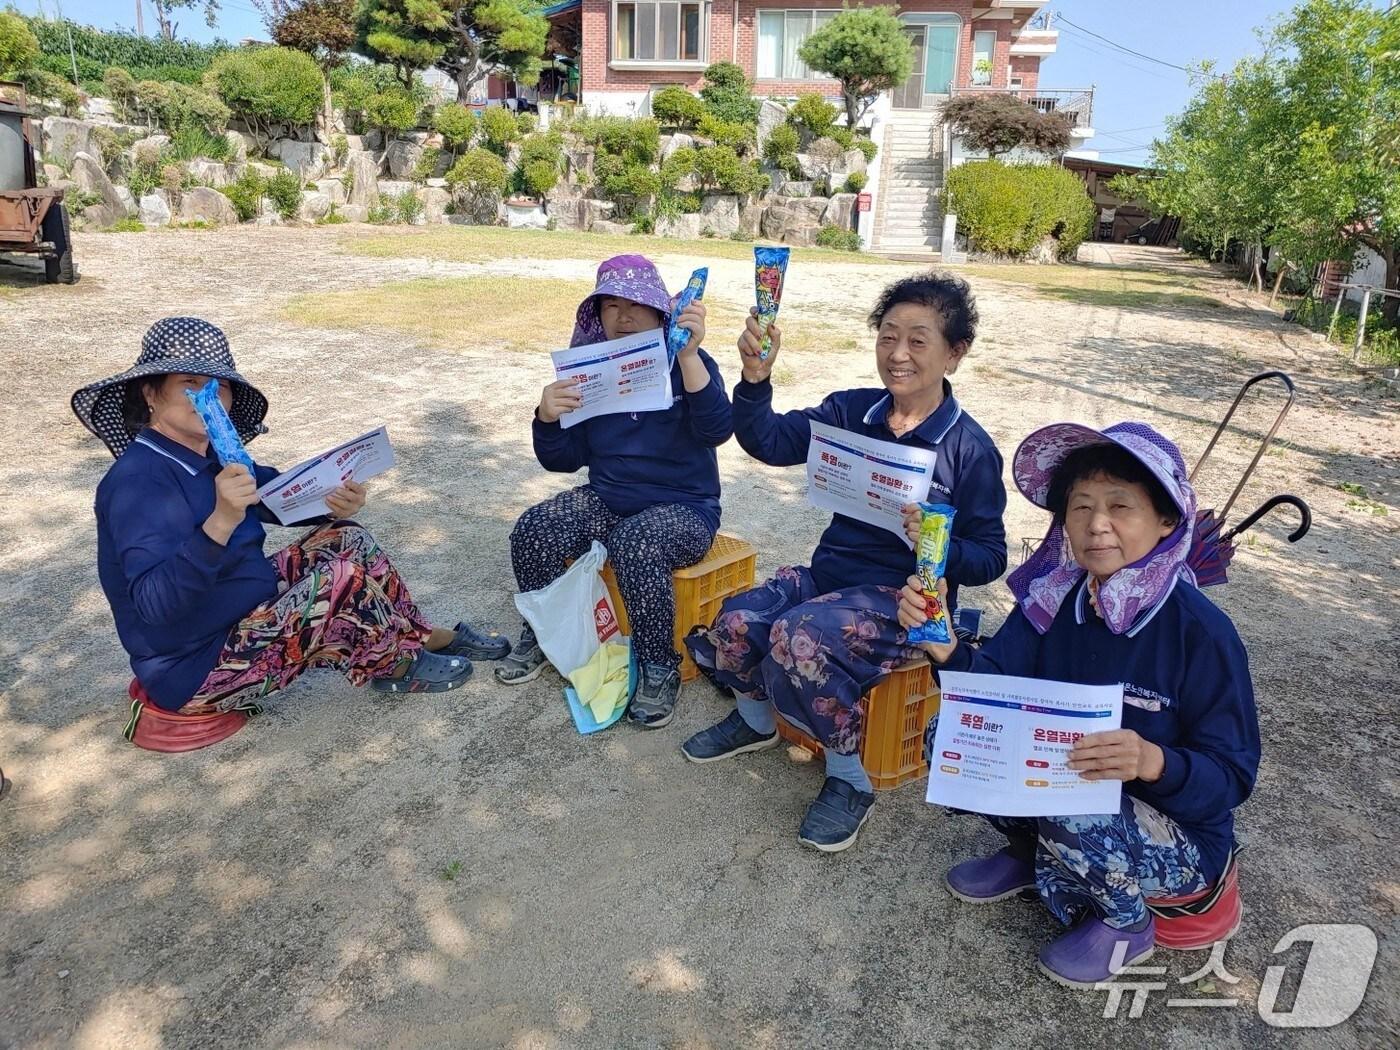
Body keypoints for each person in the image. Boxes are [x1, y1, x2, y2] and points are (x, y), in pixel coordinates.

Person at [898, 422, 1260, 988]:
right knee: (951, 734)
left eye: (1121, 506)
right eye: (1080, 506)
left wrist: (1152, 760)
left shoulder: (1202, 632)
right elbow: (994, 689)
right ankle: (1029, 851)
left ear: (1167, 521)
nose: (1096, 525)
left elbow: (1233, 774)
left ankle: (1126, 923)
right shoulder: (1055, 598)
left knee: (1077, 796)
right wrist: (947, 649)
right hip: (1072, 784)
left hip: (1179, 833)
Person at [683, 272, 1008, 852]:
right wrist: (756, 380)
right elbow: (772, 442)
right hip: (830, 580)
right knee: (735, 619)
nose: (898, 354)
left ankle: (848, 776)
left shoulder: (968, 449)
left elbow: (991, 557)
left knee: (798, 636)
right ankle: (756, 720)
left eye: (918, 339)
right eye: (887, 336)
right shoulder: (852, 413)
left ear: (954, 354)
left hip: (905, 604)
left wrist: (939, 541)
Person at [72, 317, 510, 716]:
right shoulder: (139, 482)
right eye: (189, 381)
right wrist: (222, 519)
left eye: (218, 386)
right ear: (150, 393)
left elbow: (279, 497)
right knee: (340, 578)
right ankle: (392, 663)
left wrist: (334, 500)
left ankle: (417, 634)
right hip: (197, 667)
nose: (207, 396)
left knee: (346, 540)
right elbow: (155, 605)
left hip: (243, 610)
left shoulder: (212, 456)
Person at [496, 255, 732, 727]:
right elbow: (561, 460)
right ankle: (546, 634)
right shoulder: (591, 370)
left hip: (684, 507)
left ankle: (658, 664)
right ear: (596, 316)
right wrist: (545, 416)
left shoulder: (689, 362)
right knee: (535, 529)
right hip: (608, 496)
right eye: (609, 306)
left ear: (659, 312)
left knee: (637, 543)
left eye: (635, 305)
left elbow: (717, 429)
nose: (622, 317)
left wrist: (686, 356)